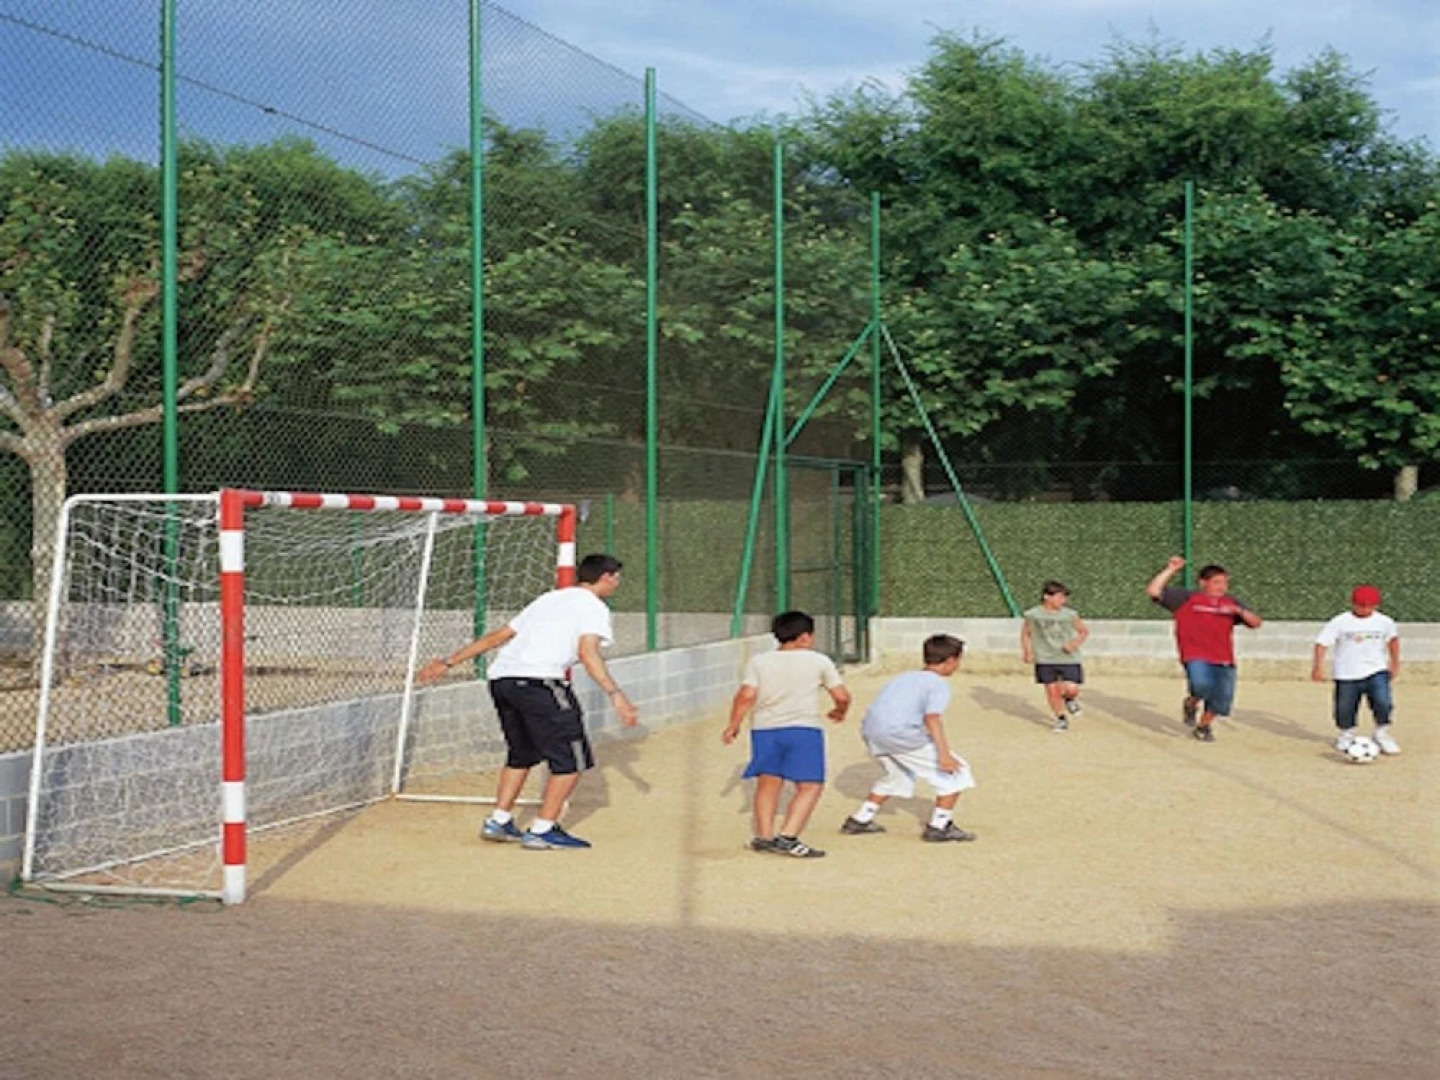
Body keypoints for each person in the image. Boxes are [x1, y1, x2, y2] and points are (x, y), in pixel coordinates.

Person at [417, 553, 638, 851]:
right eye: (617, 578)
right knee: (572, 761)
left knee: (521, 753)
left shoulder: (549, 598)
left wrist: (448, 662)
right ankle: (543, 829)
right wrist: (616, 694)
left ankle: (499, 820)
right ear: (607, 576)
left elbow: (500, 636)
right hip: (540, 682)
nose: (617, 584)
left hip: (503, 681)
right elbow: (588, 652)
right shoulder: (594, 607)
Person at [722, 611, 851, 859]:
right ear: (805, 637)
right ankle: (788, 837)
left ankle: (764, 837)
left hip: (765, 729)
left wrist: (733, 724)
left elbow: (746, 695)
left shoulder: (759, 661)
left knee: (768, 782)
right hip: (803, 729)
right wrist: (839, 711)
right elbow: (842, 696)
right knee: (810, 785)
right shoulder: (819, 661)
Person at [842, 634, 977, 843]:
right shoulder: (938, 684)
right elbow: (932, 719)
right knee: (957, 773)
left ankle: (860, 819)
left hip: (872, 733)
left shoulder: (902, 677)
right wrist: (944, 755)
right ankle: (939, 826)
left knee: (898, 777)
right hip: (899, 735)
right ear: (951, 660)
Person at [1146, 556, 1263, 743]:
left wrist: (1240, 611)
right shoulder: (1186, 598)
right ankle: (1192, 703)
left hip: (1224, 657)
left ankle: (1203, 726)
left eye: (1225, 582)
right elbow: (1153, 591)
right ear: (1203, 583)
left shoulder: (1231, 603)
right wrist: (1171, 569)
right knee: (1201, 685)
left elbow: (1256, 623)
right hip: (1195, 654)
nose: (1222, 587)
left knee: (1221, 698)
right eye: (1216, 582)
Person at [1312, 585, 1401, 755]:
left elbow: (1393, 641)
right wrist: (1318, 667)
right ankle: (1346, 734)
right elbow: (1322, 643)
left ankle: (1382, 733)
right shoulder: (1340, 621)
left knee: (1383, 702)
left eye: (1370, 605)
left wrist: (1395, 663)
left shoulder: (1384, 622)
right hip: (1346, 672)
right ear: (1353, 603)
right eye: (1361, 605)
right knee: (1344, 706)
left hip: (1376, 669)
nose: (1365, 609)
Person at [1020, 581, 1090, 732]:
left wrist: (1074, 643)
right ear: (1047, 597)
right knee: (1052, 689)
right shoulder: (1033, 614)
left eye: (1064, 597)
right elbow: (1026, 633)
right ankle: (1060, 718)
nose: (1062, 600)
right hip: (1045, 658)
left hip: (1068, 657)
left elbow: (1084, 631)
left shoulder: (1070, 614)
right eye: (1059, 597)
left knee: (1071, 688)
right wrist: (1027, 651)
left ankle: (1070, 699)